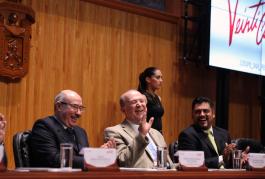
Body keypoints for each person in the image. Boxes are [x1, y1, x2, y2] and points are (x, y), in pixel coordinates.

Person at [30, 90, 115, 168]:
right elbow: (54, 159)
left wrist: (99, 155)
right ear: (59, 106)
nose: (79, 113)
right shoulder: (44, 126)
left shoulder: (80, 132)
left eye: (81, 108)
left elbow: (82, 156)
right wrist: (94, 160)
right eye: (74, 107)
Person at [104, 89, 173, 168]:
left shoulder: (157, 134)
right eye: (134, 102)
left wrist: (181, 166)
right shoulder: (113, 132)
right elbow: (123, 162)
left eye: (142, 101)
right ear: (123, 109)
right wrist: (141, 135)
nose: (139, 104)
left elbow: (168, 164)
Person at [178, 96, 249, 168]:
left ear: (213, 114)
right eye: (197, 112)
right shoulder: (187, 135)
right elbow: (192, 164)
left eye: (205, 111)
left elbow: (227, 161)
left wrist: (237, 159)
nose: (202, 114)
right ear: (192, 115)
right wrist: (221, 159)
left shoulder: (224, 134)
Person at [138, 67, 164, 133]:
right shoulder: (143, 97)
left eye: (161, 77)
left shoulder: (158, 98)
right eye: (158, 77)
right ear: (148, 79)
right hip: (147, 134)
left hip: (158, 134)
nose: (161, 80)